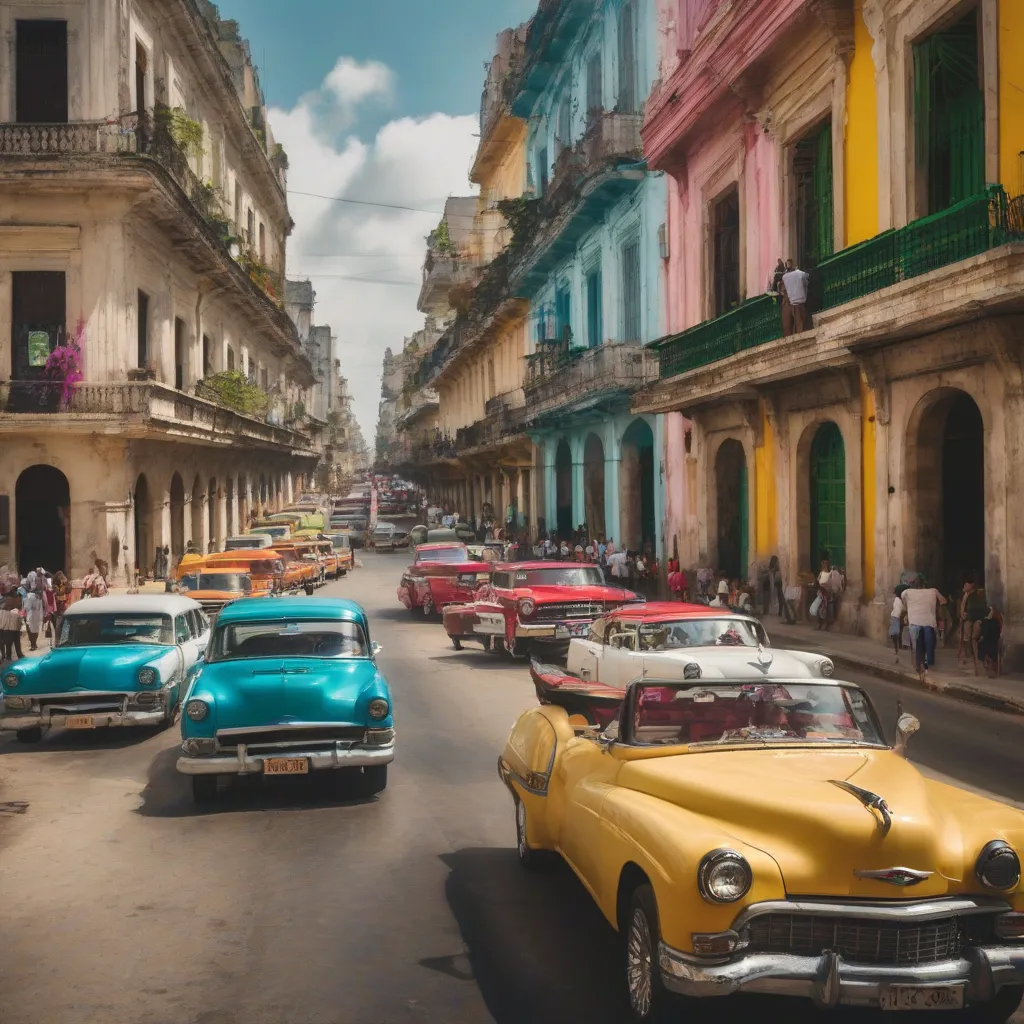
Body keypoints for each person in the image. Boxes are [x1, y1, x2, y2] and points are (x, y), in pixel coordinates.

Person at [902, 577, 947, 683]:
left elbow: (905, 604)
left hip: (914, 622)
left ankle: (919, 665)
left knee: (917, 647)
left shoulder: (906, 592)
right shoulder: (933, 591)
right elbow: (943, 601)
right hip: (929, 623)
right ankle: (927, 665)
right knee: (928, 645)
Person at [781, 259, 810, 336]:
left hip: (794, 302)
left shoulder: (788, 276)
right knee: (795, 322)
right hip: (794, 302)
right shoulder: (789, 275)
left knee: (796, 322)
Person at [22, 571, 44, 651]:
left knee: (33, 626)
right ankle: (33, 643)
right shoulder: (24, 587)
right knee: (32, 626)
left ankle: (33, 643)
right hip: (31, 610)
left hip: (34, 610)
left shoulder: (39, 588)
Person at [889, 587, 906, 663]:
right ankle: (897, 646)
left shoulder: (897, 599)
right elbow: (903, 609)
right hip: (896, 617)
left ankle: (898, 646)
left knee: (897, 631)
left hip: (895, 617)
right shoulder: (899, 600)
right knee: (896, 632)